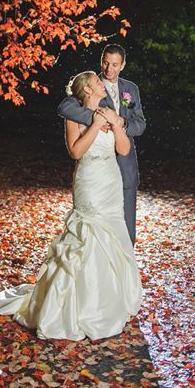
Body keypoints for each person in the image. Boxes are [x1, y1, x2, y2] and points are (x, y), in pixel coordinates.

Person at [0, 71, 142, 340]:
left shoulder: (108, 111)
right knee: (88, 234)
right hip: (89, 181)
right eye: (97, 82)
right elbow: (75, 151)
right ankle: (78, 305)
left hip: (110, 180)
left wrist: (116, 125)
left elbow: (124, 150)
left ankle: (111, 300)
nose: (101, 84)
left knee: (114, 233)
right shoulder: (75, 116)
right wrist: (95, 125)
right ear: (87, 90)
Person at [57, 44, 145, 244]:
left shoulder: (131, 89)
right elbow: (65, 107)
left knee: (125, 228)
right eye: (105, 63)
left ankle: (124, 270)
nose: (109, 69)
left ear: (122, 65)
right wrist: (98, 119)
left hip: (124, 166)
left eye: (115, 65)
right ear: (101, 61)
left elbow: (140, 125)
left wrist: (121, 122)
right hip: (95, 173)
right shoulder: (89, 85)